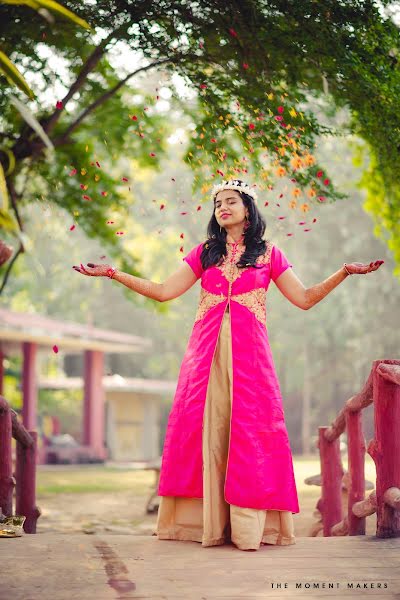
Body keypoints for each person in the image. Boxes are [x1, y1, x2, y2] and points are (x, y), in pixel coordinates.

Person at [73, 178, 384, 551]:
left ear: (248, 209)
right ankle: (204, 523)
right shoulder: (205, 253)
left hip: (251, 359)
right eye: (218, 202)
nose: (222, 207)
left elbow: (304, 298)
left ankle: (249, 528)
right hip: (205, 358)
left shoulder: (269, 254)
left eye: (231, 201)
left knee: (251, 432)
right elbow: (162, 291)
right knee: (203, 430)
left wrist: (344, 272)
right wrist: (112, 273)